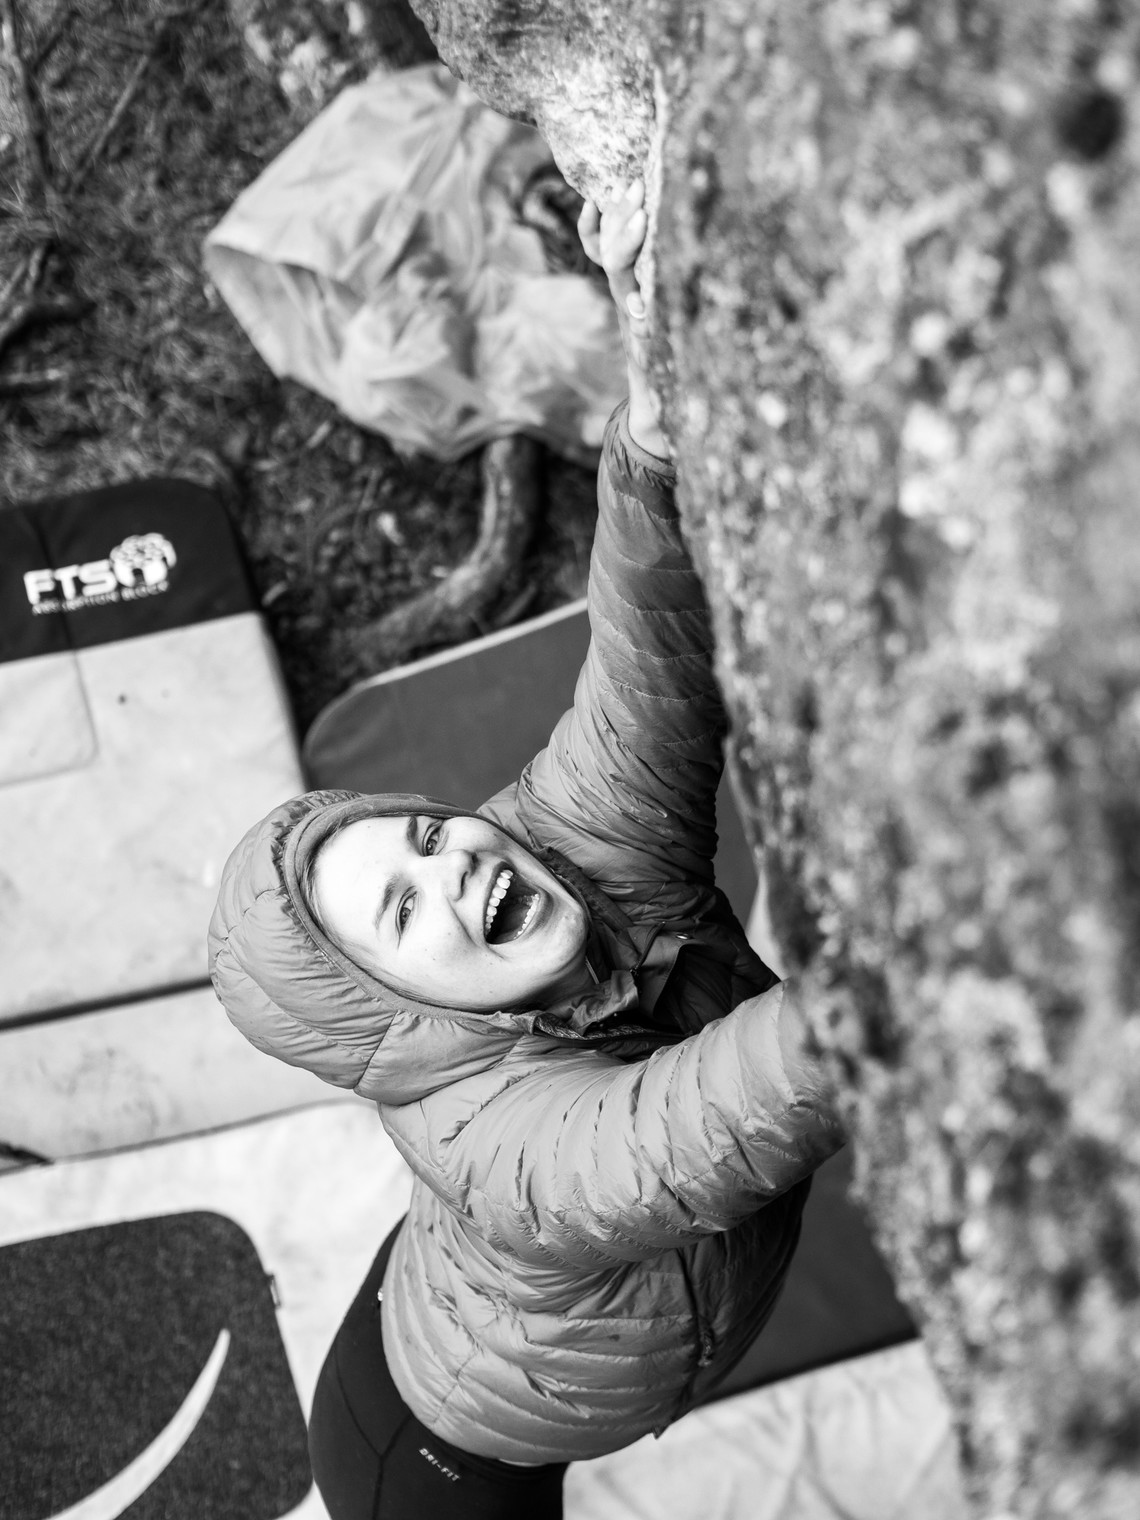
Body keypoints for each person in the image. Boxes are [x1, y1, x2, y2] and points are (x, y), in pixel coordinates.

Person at [208, 178, 845, 1520]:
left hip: (461, 1295)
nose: (453, 865)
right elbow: (686, 1130)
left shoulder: (558, 848)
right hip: (440, 1470)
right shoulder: (515, 1155)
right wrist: (907, 970)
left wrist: (655, 437)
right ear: (404, 1007)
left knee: (465, 1261)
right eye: (403, 911)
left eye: (423, 835)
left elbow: (643, 673)